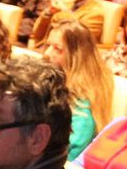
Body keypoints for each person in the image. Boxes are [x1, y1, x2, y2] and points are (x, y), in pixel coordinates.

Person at [44, 21, 113, 160]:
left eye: (57, 48)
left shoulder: (83, 109)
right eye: (48, 45)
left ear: (76, 57)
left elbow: (63, 157)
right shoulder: (51, 83)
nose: (47, 53)